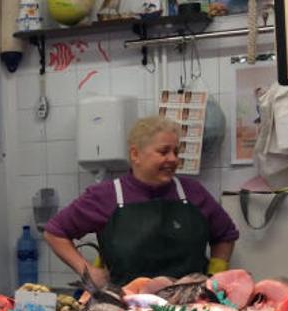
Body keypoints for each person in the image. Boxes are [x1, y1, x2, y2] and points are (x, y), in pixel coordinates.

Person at [44, 116, 239, 287]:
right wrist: (87, 270)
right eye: (164, 152)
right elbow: (55, 232)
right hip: (128, 308)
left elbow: (225, 234)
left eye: (176, 152)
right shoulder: (105, 196)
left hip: (190, 307)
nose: (173, 159)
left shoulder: (192, 192)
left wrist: (216, 274)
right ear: (135, 154)